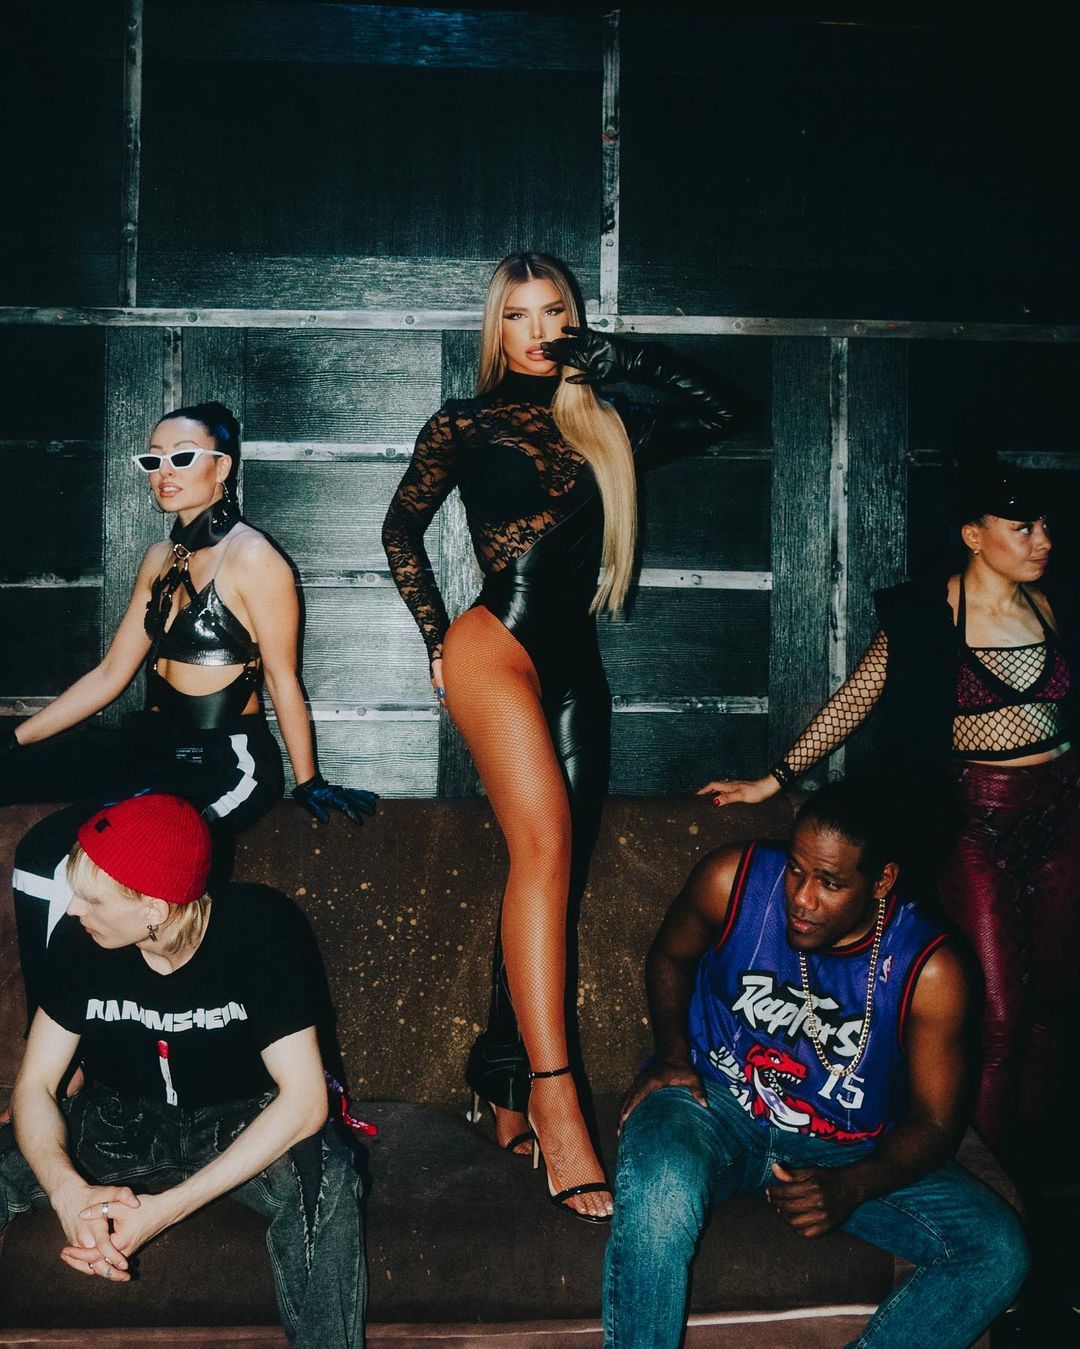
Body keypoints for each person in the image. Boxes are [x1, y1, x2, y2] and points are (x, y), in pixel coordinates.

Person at [382, 252, 750, 1220]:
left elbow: (728, 408)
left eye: (555, 312)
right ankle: (554, 1096)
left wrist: (615, 357)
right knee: (544, 853)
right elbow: (400, 532)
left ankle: (499, 1079)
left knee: (552, 872)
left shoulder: (610, 422)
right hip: (492, 644)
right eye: (518, 314)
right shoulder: (464, 423)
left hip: (575, 667)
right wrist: (435, 639)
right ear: (494, 328)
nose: (539, 330)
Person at [700, 463, 1078, 1169]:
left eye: (1047, 526)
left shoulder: (1053, 604)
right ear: (973, 535)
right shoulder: (925, 615)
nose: (1043, 541)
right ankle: (981, 1174)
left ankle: (1032, 1169)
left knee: (1054, 1007)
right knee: (996, 1016)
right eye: (1023, 528)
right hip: (978, 825)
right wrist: (773, 780)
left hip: (1061, 816)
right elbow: (858, 695)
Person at [602, 781, 1028, 1349]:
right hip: (713, 1101)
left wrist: (852, 1186)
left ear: (882, 881)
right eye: (797, 870)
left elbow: (934, 1123)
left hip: (843, 1142)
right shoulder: (733, 880)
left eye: (830, 882)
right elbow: (670, 955)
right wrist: (673, 1056)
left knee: (998, 1250)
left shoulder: (930, 969)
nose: (802, 898)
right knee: (660, 1190)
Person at [1, 402, 376, 1021]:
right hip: (153, 754)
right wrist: (15, 740)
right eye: (153, 461)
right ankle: (59, 1039)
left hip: (228, 764)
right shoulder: (160, 559)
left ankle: (85, 1038)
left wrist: (308, 779)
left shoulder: (254, 558)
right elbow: (110, 675)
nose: (164, 472)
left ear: (221, 467)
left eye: (181, 457)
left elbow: (283, 678)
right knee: (36, 844)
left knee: (109, 864)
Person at [0, 792, 365, 1348]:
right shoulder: (78, 941)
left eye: (92, 899)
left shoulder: (261, 930)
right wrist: (67, 1192)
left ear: (154, 909)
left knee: (327, 1178)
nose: (73, 909)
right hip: (123, 1116)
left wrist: (161, 1213)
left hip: (241, 1116)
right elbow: (35, 1086)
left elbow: (305, 1101)